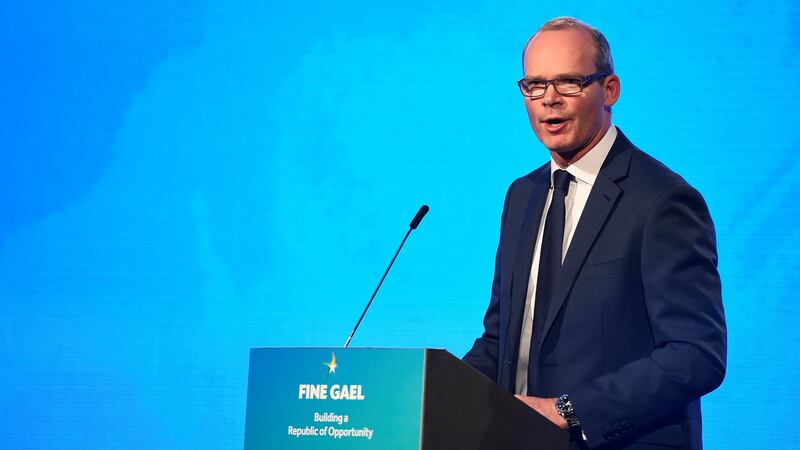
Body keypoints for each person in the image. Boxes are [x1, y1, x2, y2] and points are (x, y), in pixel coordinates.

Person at [463, 17, 727, 449]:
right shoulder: (522, 196)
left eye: (568, 83)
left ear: (610, 90)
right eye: (535, 85)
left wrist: (569, 410)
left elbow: (696, 355)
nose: (550, 100)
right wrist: (428, 398)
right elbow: (501, 341)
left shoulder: (663, 200)